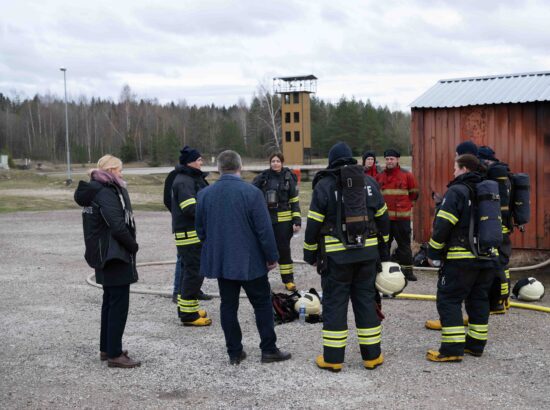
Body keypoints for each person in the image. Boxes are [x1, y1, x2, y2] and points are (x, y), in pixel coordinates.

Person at [196, 150, 292, 365]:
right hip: (251, 262)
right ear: (240, 167)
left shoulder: (205, 195)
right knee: (262, 304)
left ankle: (234, 352)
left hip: (223, 262)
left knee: (228, 306)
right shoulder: (251, 193)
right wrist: (272, 257)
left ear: (219, 168)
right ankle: (268, 349)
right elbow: (264, 230)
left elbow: (200, 231)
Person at [304, 142, 390, 372]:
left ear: (331, 162)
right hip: (367, 257)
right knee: (366, 303)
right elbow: (383, 219)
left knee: (335, 305)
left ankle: (333, 359)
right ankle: (372, 357)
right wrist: (382, 251)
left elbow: (313, 224)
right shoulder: (369, 183)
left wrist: (309, 252)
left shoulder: (324, 185)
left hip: (336, 259)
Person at [426, 154, 498, 362]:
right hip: (487, 258)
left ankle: (452, 349)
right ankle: (475, 345)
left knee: (449, 299)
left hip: (461, 259)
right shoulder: (486, 191)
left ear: (465, 169)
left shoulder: (457, 191)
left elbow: (443, 225)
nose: (453, 172)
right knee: (478, 300)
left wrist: (433, 252)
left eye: (455, 168)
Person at [74, 154, 141, 368]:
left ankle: (107, 348)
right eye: (120, 170)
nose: (121, 174)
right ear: (111, 170)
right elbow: (117, 225)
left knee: (109, 302)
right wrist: (133, 245)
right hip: (114, 255)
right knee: (118, 304)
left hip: (102, 253)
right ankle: (114, 354)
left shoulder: (94, 191)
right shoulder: (105, 192)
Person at [171, 146, 211, 326]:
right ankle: (188, 316)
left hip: (193, 233)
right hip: (190, 235)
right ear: (191, 162)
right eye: (199, 159)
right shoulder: (184, 181)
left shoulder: (190, 178)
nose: (202, 162)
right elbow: (189, 208)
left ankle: (188, 308)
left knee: (191, 272)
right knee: (194, 273)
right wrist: (211, 211)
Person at [252, 153, 301, 291]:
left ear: (282, 163)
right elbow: (251, 191)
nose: (275, 163)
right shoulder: (263, 176)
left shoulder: (289, 177)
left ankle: (288, 280)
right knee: (263, 249)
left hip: (284, 221)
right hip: (266, 219)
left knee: (284, 251)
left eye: (278, 161)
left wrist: (296, 220)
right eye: (273, 161)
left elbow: (294, 201)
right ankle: (261, 280)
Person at [164, 163, 212, 304]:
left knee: (193, 264)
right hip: (186, 228)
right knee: (184, 262)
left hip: (197, 227)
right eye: (198, 159)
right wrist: (178, 215)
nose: (201, 162)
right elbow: (169, 200)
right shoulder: (177, 177)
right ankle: (178, 292)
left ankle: (193, 290)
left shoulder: (196, 176)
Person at [478, 146, 513, 314]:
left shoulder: (491, 176)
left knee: (496, 264)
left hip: (496, 227)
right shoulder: (506, 174)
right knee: (503, 264)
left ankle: (497, 303)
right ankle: (504, 300)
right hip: (506, 226)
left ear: (484, 160)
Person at [375, 149, 419, 281]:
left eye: (392, 159)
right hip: (384, 220)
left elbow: (414, 194)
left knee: (404, 245)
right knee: (384, 245)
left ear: (397, 160)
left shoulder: (407, 175)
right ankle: (384, 271)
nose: (389, 161)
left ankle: (408, 272)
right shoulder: (380, 177)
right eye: (387, 159)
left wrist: (406, 206)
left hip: (402, 219)